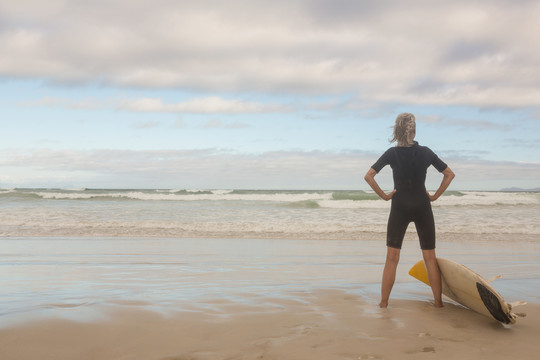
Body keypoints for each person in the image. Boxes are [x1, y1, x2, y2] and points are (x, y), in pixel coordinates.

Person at [364, 113, 455, 308]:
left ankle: (383, 304)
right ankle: (438, 303)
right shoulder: (426, 152)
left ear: (397, 132)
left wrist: (385, 195)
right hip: (422, 205)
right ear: (414, 131)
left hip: (399, 207)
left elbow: (369, 176)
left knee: (392, 258)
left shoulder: (391, 153)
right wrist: (435, 195)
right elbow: (449, 174)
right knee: (430, 258)